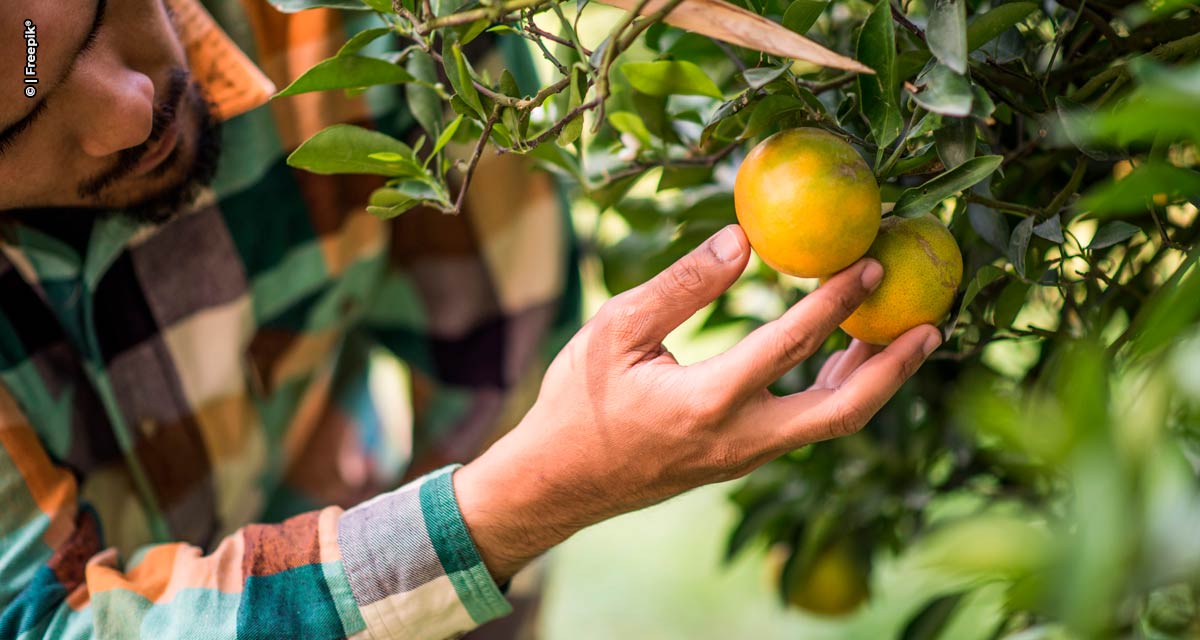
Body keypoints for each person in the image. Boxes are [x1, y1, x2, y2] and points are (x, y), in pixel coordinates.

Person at [0, 1, 942, 638]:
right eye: (18, 122)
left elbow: (496, 365)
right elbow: (49, 621)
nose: (125, 111)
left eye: (89, 15)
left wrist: (473, 541)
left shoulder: (380, 28)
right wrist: (509, 505)